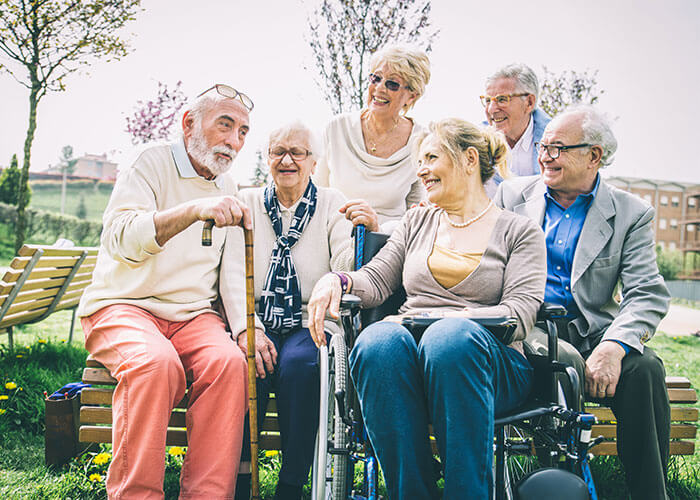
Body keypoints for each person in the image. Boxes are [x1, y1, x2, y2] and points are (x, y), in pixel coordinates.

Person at [307, 118, 546, 499]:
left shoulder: (519, 231)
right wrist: (337, 280)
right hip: (414, 360)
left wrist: (451, 319)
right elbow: (377, 278)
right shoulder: (416, 221)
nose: (420, 169)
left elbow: (519, 314)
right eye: (420, 159)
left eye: (431, 157)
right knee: (378, 341)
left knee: (449, 338)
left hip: (489, 363)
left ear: (469, 160)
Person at [78, 84, 255, 499]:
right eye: (224, 125)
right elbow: (120, 238)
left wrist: (247, 328)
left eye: (243, 131)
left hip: (193, 314)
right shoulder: (150, 162)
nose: (234, 140)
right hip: (124, 305)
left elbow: (230, 273)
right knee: (155, 365)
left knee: (230, 364)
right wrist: (193, 211)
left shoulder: (229, 186)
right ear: (189, 123)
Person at [494, 105, 671, 500]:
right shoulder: (511, 196)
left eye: (558, 148)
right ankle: (562, 484)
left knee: (646, 370)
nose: (544, 156)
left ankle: (651, 493)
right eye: (543, 146)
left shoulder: (632, 213)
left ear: (594, 156)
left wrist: (615, 345)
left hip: (596, 331)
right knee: (565, 361)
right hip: (532, 326)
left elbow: (646, 291)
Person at [223, 122, 353, 500]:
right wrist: (248, 328)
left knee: (301, 365)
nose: (287, 160)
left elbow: (344, 259)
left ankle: (291, 485)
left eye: (297, 153)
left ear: (313, 162)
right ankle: (241, 482)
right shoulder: (245, 202)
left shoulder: (331, 202)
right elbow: (231, 270)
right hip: (257, 317)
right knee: (248, 364)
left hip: (310, 318)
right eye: (278, 152)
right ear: (267, 160)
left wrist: (359, 238)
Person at [314, 44, 431, 233]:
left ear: (411, 96)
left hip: (391, 242)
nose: (379, 88)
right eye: (375, 78)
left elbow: (417, 210)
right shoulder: (336, 129)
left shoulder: (422, 141)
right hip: (337, 236)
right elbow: (317, 194)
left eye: (392, 84)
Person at [481, 63, 551, 195]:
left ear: (529, 102)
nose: (491, 109)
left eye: (502, 99)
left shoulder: (557, 142)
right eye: (488, 101)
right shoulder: (477, 144)